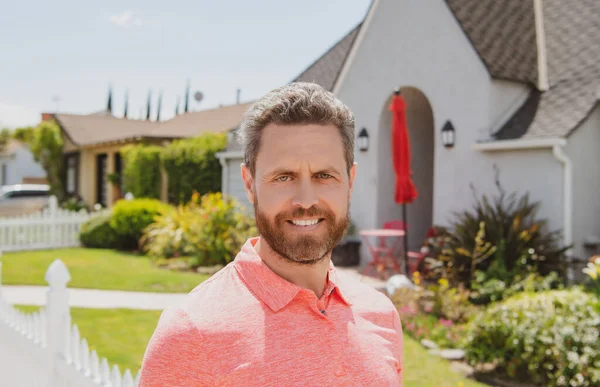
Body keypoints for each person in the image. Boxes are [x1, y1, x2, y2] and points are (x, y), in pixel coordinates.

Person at [138, 82, 404, 386]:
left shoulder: (381, 314)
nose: (306, 200)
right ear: (250, 184)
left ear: (350, 181)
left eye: (323, 175)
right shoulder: (191, 332)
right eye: (284, 177)